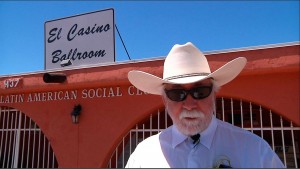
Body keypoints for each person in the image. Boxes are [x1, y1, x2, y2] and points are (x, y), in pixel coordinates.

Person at [125, 42, 285, 168]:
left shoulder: (254, 149)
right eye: (176, 93)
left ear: (214, 94)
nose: (189, 105)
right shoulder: (144, 154)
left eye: (200, 91)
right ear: (165, 100)